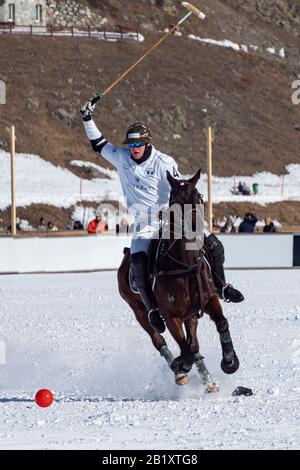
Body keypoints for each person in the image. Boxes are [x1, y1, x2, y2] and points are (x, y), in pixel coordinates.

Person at [81, 98, 244, 333]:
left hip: (171, 217)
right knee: (136, 262)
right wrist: (87, 119)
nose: (133, 148)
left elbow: (178, 186)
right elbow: (99, 144)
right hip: (144, 221)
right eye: (131, 144)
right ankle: (151, 309)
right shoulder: (122, 157)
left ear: (147, 143)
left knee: (215, 246)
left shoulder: (164, 162)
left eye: (138, 144)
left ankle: (222, 286)